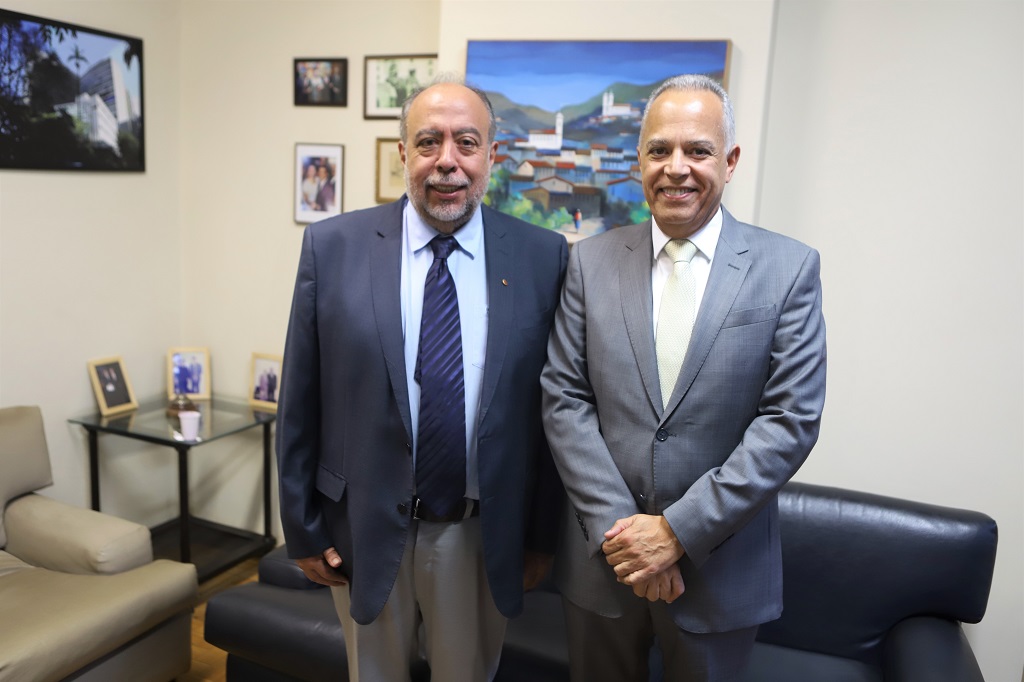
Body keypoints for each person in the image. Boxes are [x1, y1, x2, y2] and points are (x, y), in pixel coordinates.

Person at [276, 76, 568, 682]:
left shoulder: (544, 257)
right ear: (404, 153)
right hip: (361, 525)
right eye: (429, 142)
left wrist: (541, 536)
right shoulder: (333, 248)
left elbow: (552, 414)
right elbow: (300, 399)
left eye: (466, 143)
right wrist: (301, 527)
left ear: (493, 155)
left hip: (480, 533)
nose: (447, 162)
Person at [540, 74, 826, 681]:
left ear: (731, 161)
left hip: (720, 571)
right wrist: (628, 541)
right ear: (638, 160)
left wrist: (676, 532)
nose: (677, 168)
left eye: (697, 151)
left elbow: (789, 421)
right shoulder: (588, 262)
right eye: (659, 150)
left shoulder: (788, 268)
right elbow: (564, 399)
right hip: (603, 565)